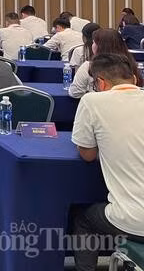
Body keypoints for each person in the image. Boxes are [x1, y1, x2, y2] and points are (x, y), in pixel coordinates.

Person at [70, 53, 144, 270]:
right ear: (134, 78)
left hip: (134, 219)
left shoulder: (93, 101)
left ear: (100, 83)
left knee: (83, 219)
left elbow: (88, 154)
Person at [69, 29, 138, 99]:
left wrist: (89, 94)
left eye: (93, 42)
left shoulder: (88, 67)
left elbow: (75, 92)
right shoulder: (130, 65)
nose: (92, 45)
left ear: (99, 46)